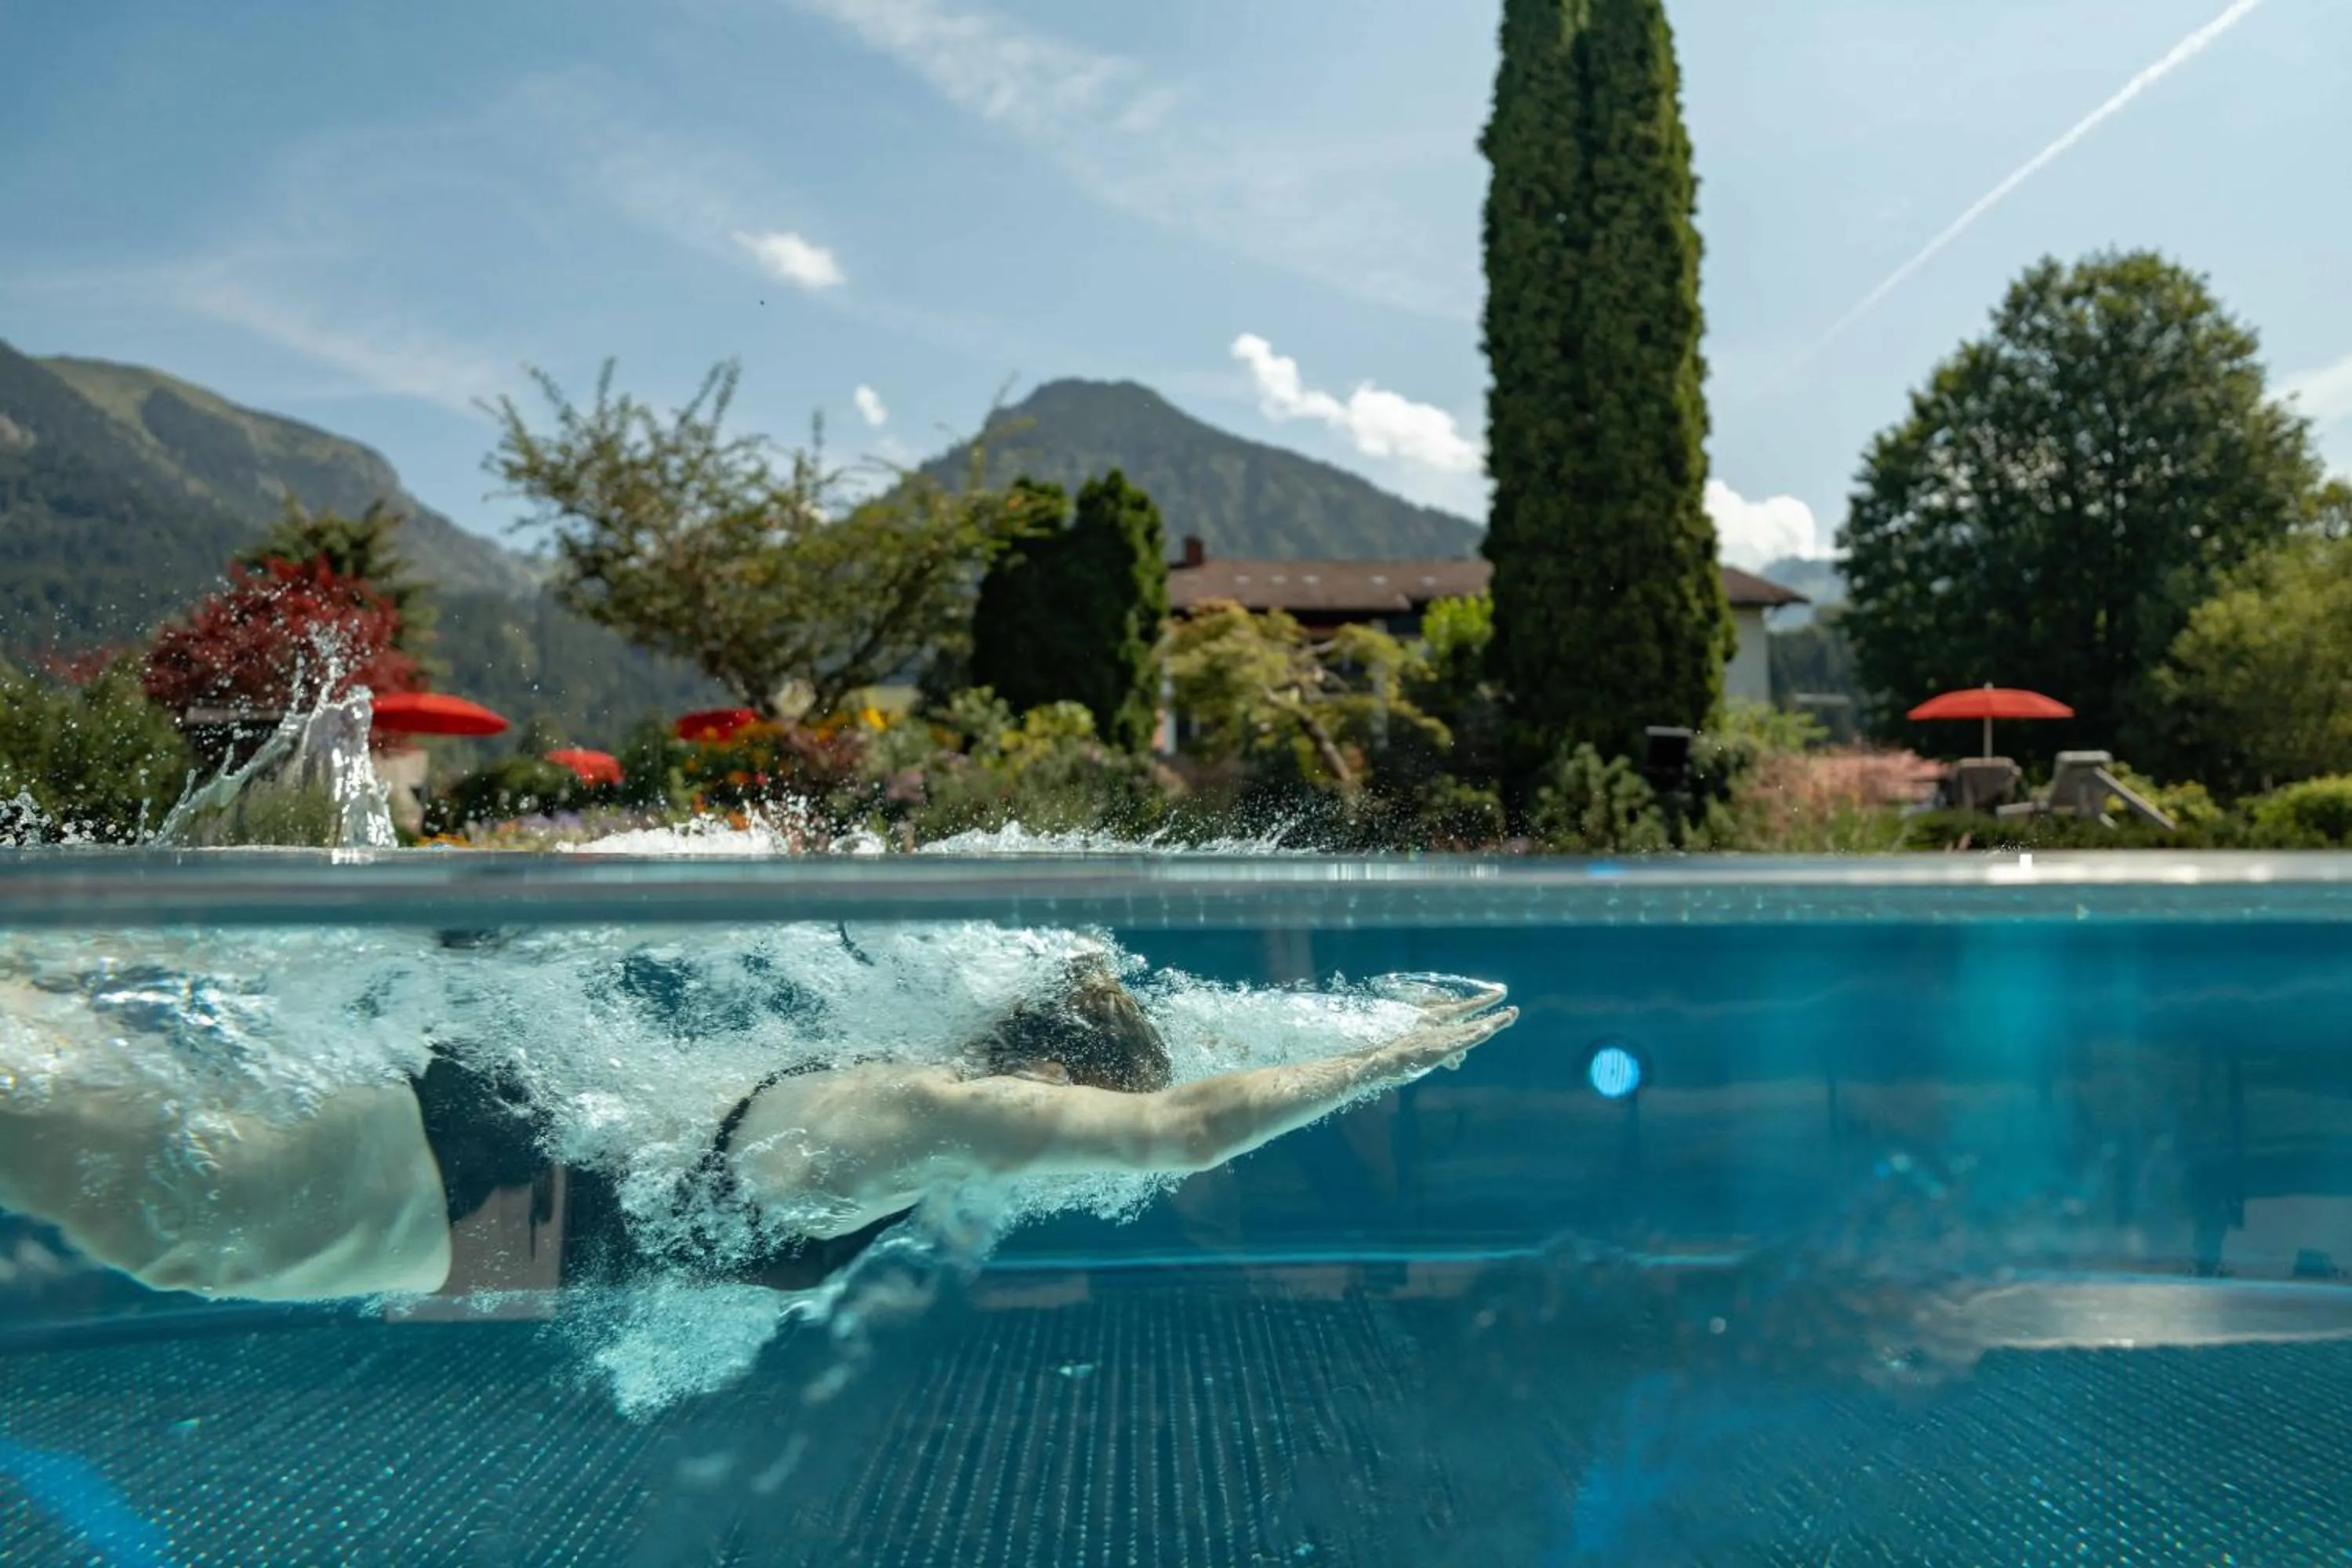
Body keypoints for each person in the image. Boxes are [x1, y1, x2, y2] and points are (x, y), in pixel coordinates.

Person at [0, 949, 1516, 1305]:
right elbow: (1182, 1132)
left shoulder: (890, 1131)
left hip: (410, 1190)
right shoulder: (902, 1115)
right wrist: (1388, 1058)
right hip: (364, 1197)